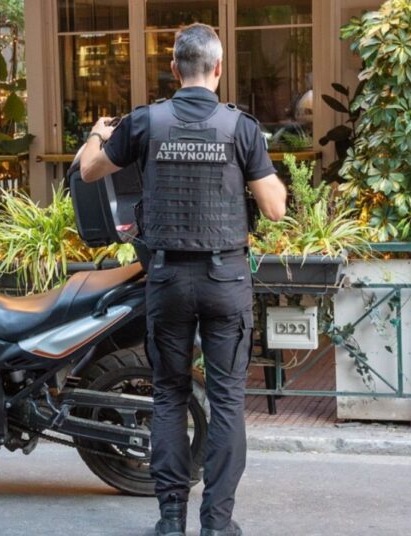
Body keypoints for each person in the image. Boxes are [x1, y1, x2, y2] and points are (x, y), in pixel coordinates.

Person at [79, 23, 287, 536]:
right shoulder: (240, 128)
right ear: (219, 69)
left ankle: (171, 521)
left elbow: (88, 171)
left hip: (168, 277)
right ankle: (217, 524)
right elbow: (275, 209)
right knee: (227, 401)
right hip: (225, 279)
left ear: (174, 69)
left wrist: (97, 135)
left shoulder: (145, 122)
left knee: (170, 396)